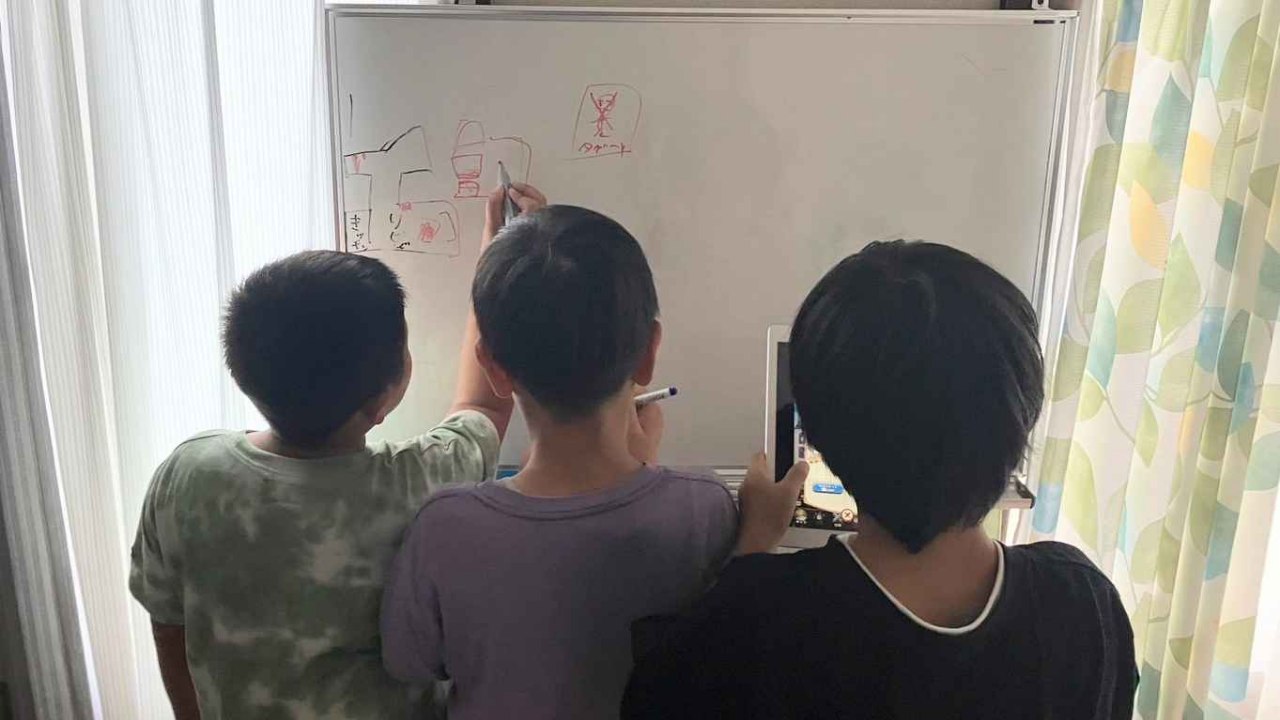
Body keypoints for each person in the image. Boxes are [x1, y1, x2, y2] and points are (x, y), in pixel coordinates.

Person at [622, 240, 1138, 719]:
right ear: (1022, 414)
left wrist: (753, 543)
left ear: (815, 436)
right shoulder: (1084, 606)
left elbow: (661, 694)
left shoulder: (752, 626)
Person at [127, 183, 545, 719]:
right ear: (386, 395)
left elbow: (167, 620)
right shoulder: (421, 485)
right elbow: (483, 406)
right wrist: (501, 259)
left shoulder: (187, 475)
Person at [379, 204, 808, 719]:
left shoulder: (443, 526)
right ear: (649, 353)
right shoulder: (703, 510)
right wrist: (756, 535)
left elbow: (409, 662)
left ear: (492, 366)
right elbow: (726, 648)